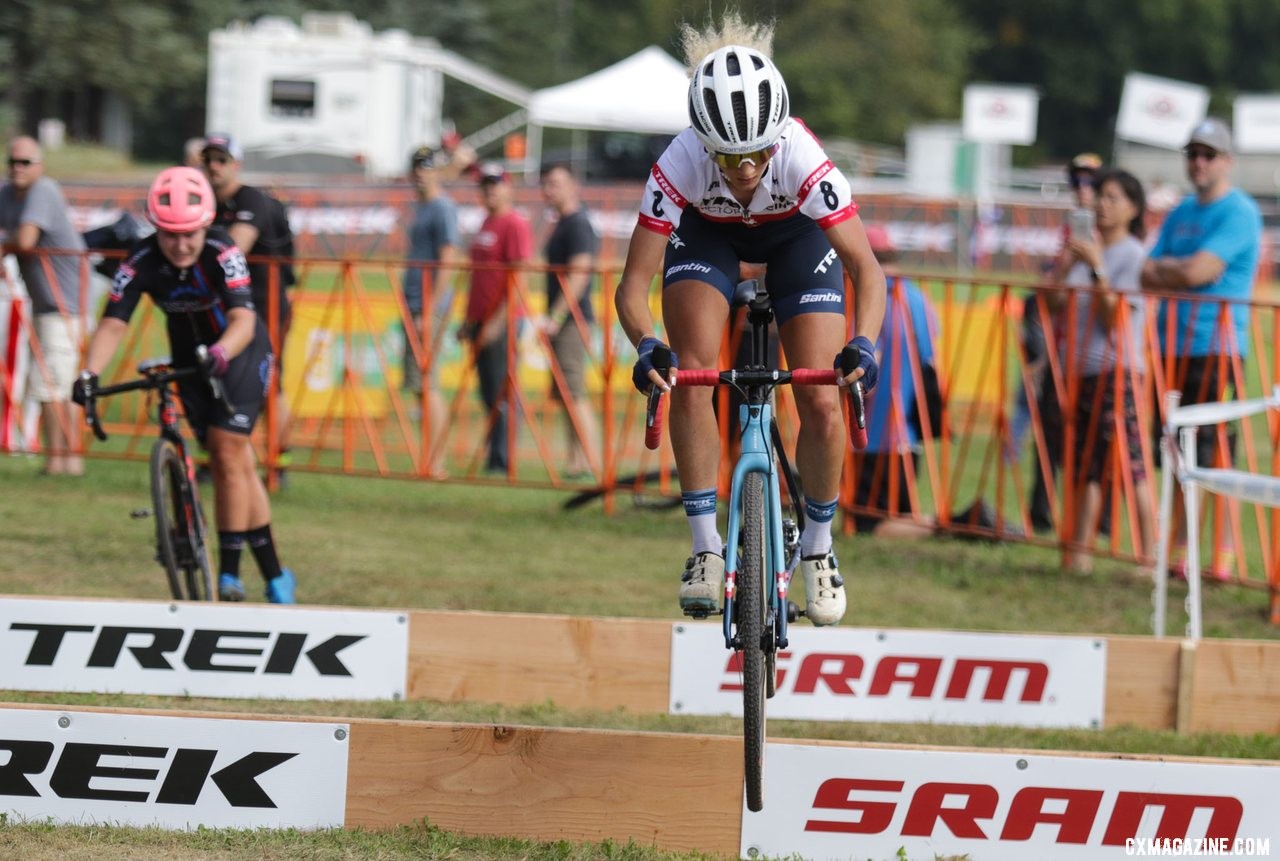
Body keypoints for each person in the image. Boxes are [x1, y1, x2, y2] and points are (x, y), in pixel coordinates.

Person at [615, 15, 885, 627]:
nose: (743, 169)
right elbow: (631, 289)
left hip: (794, 240)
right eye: (727, 156)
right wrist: (646, 345)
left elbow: (867, 271)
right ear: (702, 141)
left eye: (758, 153)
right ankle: (705, 545)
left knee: (821, 397)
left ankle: (817, 548)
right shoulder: (678, 161)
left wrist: (863, 347)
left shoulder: (803, 157)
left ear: (778, 136)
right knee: (690, 372)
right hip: (708, 240)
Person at [72, 167, 296, 604]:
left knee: (228, 448)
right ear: (155, 228)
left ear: (205, 225)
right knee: (238, 466)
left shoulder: (222, 249)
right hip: (188, 357)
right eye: (169, 234)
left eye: (189, 233)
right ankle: (275, 573)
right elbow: (114, 324)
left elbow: (244, 320)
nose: (181, 244)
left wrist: (221, 353)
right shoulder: (140, 260)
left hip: (239, 350)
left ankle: (229, 574)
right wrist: (89, 374)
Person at [1141, 117, 1262, 580]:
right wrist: (1183, 269)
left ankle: (1222, 556)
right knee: (1174, 455)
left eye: (1208, 155)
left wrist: (1177, 270)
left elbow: (1194, 272)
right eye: (1192, 153)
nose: (1198, 162)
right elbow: (1150, 272)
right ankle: (1178, 553)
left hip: (1218, 347)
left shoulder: (1239, 212)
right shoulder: (1181, 213)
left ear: (1227, 162)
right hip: (1173, 346)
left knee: (1216, 455)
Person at [1050, 169, 1154, 573]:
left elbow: (1116, 319)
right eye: (1100, 197)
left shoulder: (1131, 255)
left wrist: (1096, 269)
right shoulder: (1086, 249)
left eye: (1113, 197)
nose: (1103, 205)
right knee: (1087, 464)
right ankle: (1080, 554)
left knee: (1132, 463)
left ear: (1133, 208)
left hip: (1118, 370)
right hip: (1083, 372)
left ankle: (1148, 556)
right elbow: (1053, 304)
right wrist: (1067, 265)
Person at [201, 133, 296, 482]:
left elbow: (234, 248)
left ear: (236, 165)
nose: (213, 166)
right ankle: (219, 459)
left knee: (270, 381)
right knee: (219, 376)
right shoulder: (207, 202)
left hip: (265, 304)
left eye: (221, 159)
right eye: (208, 158)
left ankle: (278, 462)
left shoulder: (251, 199)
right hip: (227, 306)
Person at [0, 135, 88, 476]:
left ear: (40, 166)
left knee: (52, 384)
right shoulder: (8, 193)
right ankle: (68, 461)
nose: (17, 168)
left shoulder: (43, 190)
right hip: (45, 302)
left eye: (25, 162)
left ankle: (60, 461)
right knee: (58, 384)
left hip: (65, 303)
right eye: (12, 162)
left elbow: (25, 240)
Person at [460, 163, 533, 473]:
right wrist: (468, 320)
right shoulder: (486, 222)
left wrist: (497, 322)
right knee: (487, 392)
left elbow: (520, 279)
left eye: (495, 184)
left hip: (501, 322)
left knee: (501, 391)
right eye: (485, 185)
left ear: (508, 188)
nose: (489, 190)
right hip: (480, 320)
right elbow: (476, 278)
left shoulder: (514, 224)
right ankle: (494, 454)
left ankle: (502, 460)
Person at [402, 144, 460, 478]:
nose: (420, 172)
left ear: (438, 171)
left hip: (428, 306)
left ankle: (435, 461)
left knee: (428, 383)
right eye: (417, 166)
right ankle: (429, 457)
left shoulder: (442, 207)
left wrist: (431, 308)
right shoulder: (422, 206)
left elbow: (449, 259)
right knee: (418, 384)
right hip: (414, 302)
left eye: (427, 166)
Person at [539, 162, 600, 477]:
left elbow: (580, 273)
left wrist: (557, 315)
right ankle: (576, 460)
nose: (550, 189)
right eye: (546, 184)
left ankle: (589, 460)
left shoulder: (577, 223)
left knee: (574, 392)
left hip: (572, 321)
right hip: (563, 320)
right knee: (565, 393)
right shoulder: (562, 222)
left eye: (556, 183)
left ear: (573, 184)